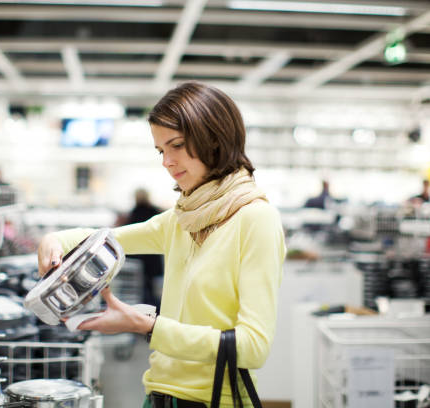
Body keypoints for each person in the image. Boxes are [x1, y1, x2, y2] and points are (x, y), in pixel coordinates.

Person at [37, 82, 286, 407]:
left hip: (212, 400)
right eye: (160, 150)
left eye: (177, 145)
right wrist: (53, 239)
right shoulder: (183, 218)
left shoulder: (256, 219)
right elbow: (107, 239)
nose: (167, 162)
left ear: (214, 138)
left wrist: (147, 326)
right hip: (158, 394)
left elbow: (254, 347)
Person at [126, 188, 164, 310]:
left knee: (140, 287)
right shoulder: (155, 211)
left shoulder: (134, 212)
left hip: (139, 256)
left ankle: (145, 309)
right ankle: (154, 309)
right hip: (152, 256)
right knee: (151, 287)